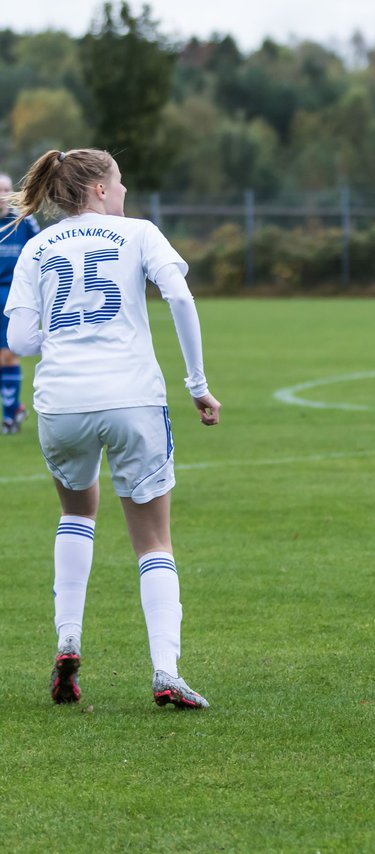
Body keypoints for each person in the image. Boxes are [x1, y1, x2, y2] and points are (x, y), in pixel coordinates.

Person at [3, 149, 221, 710]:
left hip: (61, 404)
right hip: (131, 399)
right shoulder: (138, 233)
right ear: (99, 189)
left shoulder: (35, 246)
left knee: (77, 513)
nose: (124, 193)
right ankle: (166, 670)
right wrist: (196, 382)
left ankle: (68, 640)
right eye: (120, 183)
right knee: (153, 541)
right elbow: (178, 295)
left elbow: (23, 343)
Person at [0, 172, 40, 433]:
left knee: (8, 355)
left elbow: (40, 253)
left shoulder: (24, 222)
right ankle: (15, 410)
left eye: (4, 190)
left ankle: (10, 417)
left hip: (12, 293)